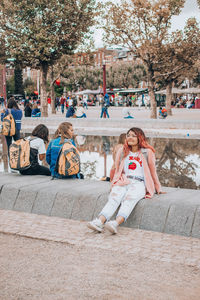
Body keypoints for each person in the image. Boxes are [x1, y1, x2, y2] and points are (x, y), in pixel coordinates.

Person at [88, 127, 165, 234]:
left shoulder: (147, 152)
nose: (130, 137)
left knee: (129, 200)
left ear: (140, 138)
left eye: (134, 136)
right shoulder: (122, 151)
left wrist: (158, 187)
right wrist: (114, 182)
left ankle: (115, 223)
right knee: (114, 198)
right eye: (128, 135)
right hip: (124, 180)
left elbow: (153, 171)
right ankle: (99, 221)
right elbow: (117, 168)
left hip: (139, 183)